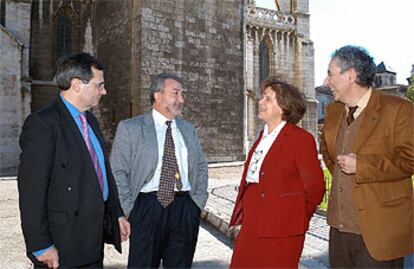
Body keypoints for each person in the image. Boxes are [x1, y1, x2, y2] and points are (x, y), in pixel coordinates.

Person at [17, 52, 130, 269]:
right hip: (63, 244)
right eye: (100, 85)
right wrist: (40, 245)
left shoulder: (91, 121)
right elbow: (31, 191)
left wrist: (116, 214)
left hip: (92, 240)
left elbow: (102, 173)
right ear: (77, 85)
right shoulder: (43, 124)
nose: (104, 91)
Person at [320, 45, 414, 268]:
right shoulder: (333, 112)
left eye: (330, 74)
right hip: (339, 231)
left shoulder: (398, 109)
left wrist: (362, 166)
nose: (326, 82)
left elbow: (410, 160)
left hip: (380, 232)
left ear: (350, 75)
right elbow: (326, 151)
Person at [110, 72, 208, 268]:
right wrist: (130, 209)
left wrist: (197, 203)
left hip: (184, 208)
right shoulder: (131, 127)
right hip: (147, 208)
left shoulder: (188, 129)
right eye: (176, 93)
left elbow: (200, 166)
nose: (181, 99)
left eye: (182, 94)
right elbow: (117, 170)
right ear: (158, 95)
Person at [228, 77, 325, 268]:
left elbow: (315, 188)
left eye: (268, 98)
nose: (260, 101)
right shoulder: (261, 137)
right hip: (252, 224)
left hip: (282, 229)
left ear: (284, 107)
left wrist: (294, 217)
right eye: (262, 97)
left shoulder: (300, 139)